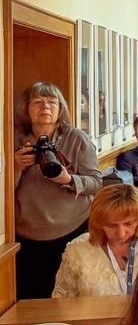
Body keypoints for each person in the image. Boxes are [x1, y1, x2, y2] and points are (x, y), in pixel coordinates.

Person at [13, 81, 101, 299]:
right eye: (38, 102)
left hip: (73, 227)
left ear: (61, 109)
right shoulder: (12, 140)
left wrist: (69, 179)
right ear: (26, 109)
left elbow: (96, 182)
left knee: (73, 293)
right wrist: (16, 167)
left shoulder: (76, 138)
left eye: (52, 102)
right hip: (26, 232)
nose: (45, 107)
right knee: (32, 295)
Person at [52, 184, 138, 298]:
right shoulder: (78, 249)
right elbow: (63, 300)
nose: (121, 233)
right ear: (98, 223)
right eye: (111, 225)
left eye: (129, 224)